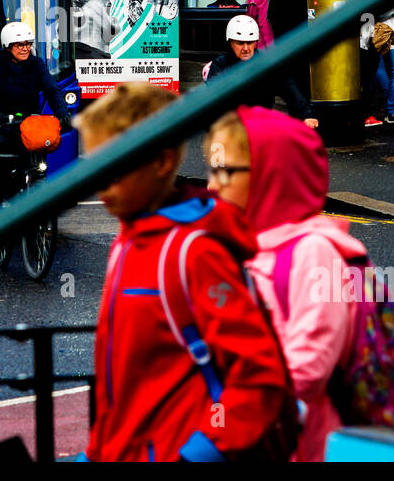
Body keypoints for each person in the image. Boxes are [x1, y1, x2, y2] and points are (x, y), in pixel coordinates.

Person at [75, 83, 290, 461]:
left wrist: (199, 452)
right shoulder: (126, 243)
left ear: (161, 162)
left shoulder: (194, 253)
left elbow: (258, 375)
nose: (100, 184)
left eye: (113, 167)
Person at [204, 107, 366, 461]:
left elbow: (308, 367)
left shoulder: (313, 251)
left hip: (296, 444)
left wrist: (232, 412)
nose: (211, 185)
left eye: (224, 172)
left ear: (268, 174)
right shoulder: (237, 244)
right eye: (211, 170)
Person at [0, 21, 73, 203]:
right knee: (4, 162)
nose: (25, 48)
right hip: (5, 123)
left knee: (39, 161)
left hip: (30, 124)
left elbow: (52, 90)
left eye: (28, 44)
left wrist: (64, 114)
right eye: (19, 45)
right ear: (8, 47)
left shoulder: (36, 64)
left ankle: (38, 190)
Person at [204, 15, 318, 129]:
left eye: (249, 43)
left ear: (256, 42)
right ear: (230, 42)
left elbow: (290, 89)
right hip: (232, 126)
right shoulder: (219, 66)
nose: (245, 48)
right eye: (240, 43)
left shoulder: (268, 64)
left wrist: (306, 115)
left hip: (261, 125)